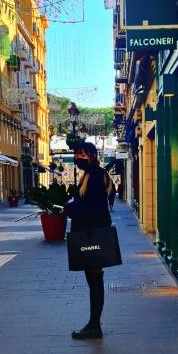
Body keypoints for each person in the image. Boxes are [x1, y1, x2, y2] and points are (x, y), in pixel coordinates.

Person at [64, 141, 114, 340]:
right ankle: (94, 324)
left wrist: (68, 209)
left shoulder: (93, 177)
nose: (79, 158)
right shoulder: (92, 174)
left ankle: (94, 326)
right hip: (92, 232)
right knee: (94, 280)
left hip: (92, 234)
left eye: (83, 155)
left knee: (95, 280)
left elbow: (91, 206)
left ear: (92, 156)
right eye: (77, 155)